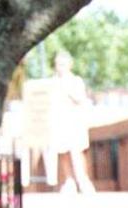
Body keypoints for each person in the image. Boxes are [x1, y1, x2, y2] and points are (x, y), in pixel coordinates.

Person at [47, 51, 96, 194]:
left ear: (69, 65)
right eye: (58, 64)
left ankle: (83, 180)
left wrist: (68, 91)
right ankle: (69, 181)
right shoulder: (52, 82)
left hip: (74, 122)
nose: (60, 67)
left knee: (77, 151)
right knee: (63, 152)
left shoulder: (76, 81)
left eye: (62, 64)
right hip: (58, 121)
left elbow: (80, 99)